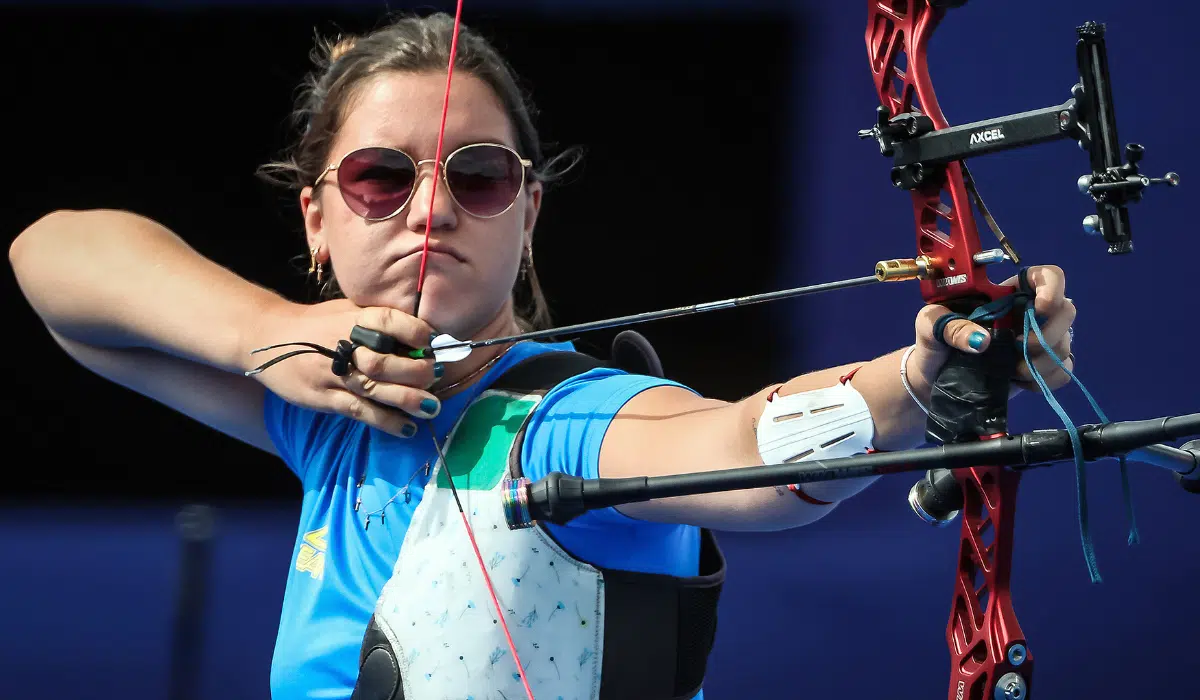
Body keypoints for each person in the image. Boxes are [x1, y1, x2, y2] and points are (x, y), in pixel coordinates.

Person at [7, 11, 1077, 700]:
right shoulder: (326, 416)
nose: (430, 209)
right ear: (318, 218)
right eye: (381, 176)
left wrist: (920, 379)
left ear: (527, 215)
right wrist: (264, 336)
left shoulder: (563, 419)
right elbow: (55, 269)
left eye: (478, 177)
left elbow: (744, 446)